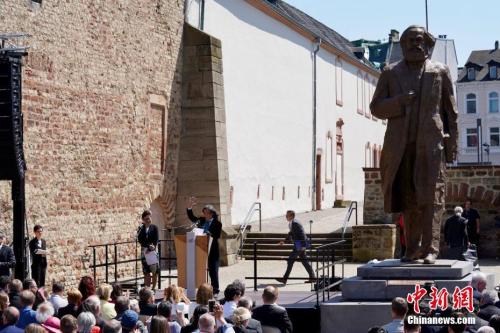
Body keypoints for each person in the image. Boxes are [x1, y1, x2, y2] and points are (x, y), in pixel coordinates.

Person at [370, 25, 458, 264]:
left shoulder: (440, 71)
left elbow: (451, 111)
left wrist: (453, 146)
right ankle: (413, 248)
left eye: (419, 40)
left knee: (432, 197)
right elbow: (375, 107)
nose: (415, 44)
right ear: (403, 45)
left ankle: (431, 248)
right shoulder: (390, 72)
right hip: (401, 145)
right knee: (408, 198)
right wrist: (398, 102)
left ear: (427, 44)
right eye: (409, 41)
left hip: (431, 145)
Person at [186, 197, 222, 295]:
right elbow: (192, 218)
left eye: (206, 212)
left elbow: (217, 235)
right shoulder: (201, 220)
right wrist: (189, 208)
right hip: (200, 248)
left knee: (213, 270)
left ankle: (215, 289)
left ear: (211, 213)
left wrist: (208, 233)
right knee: (199, 269)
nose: (204, 214)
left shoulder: (217, 223)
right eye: (204, 212)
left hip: (212, 249)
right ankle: (201, 288)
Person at [276, 210, 315, 285]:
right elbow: (291, 233)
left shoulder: (295, 223)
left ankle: (284, 279)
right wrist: (284, 241)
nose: (286, 216)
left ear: (291, 216)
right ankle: (312, 277)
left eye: (287, 215)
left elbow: (302, 234)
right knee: (304, 261)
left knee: (290, 260)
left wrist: (303, 246)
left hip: (300, 245)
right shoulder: (292, 223)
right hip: (299, 244)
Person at [137, 210, 160, 290]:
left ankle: (153, 288)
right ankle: (147, 289)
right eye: (146, 218)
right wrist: (147, 246)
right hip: (144, 252)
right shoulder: (141, 229)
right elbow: (140, 240)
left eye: (149, 218)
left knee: (154, 272)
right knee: (146, 272)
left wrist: (152, 247)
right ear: (143, 220)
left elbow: (156, 239)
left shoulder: (154, 228)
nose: (149, 220)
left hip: (152, 251)